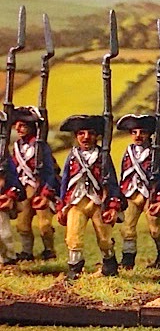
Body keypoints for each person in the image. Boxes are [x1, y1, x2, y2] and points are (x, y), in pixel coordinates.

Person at [55, 115, 124, 281]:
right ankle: (74, 269)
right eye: (81, 133)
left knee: (104, 238)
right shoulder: (72, 156)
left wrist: (113, 205)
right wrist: (62, 204)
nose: (86, 137)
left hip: (98, 202)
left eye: (91, 133)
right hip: (76, 202)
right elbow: (65, 181)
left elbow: (112, 182)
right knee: (73, 236)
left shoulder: (103, 156)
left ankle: (109, 265)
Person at [115, 114, 160, 271]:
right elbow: (124, 174)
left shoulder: (155, 153)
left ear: (149, 134)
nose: (138, 136)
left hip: (151, 195)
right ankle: (127, 261)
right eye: (134, 132)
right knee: (127, 229)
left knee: (155, 229)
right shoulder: (128, 152)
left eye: (142, 132)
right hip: (131, 194)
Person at [9, 107, 59, 261]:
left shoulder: (41, 147)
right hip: (24, 189)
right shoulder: (17, 147)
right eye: (17, 125)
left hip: (40, 189)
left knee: (44, 225)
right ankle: (26, 252)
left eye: (23, 125)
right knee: (22, 225)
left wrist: (46, 191)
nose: (18, 129)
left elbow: (50, 171)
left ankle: (49, 250)